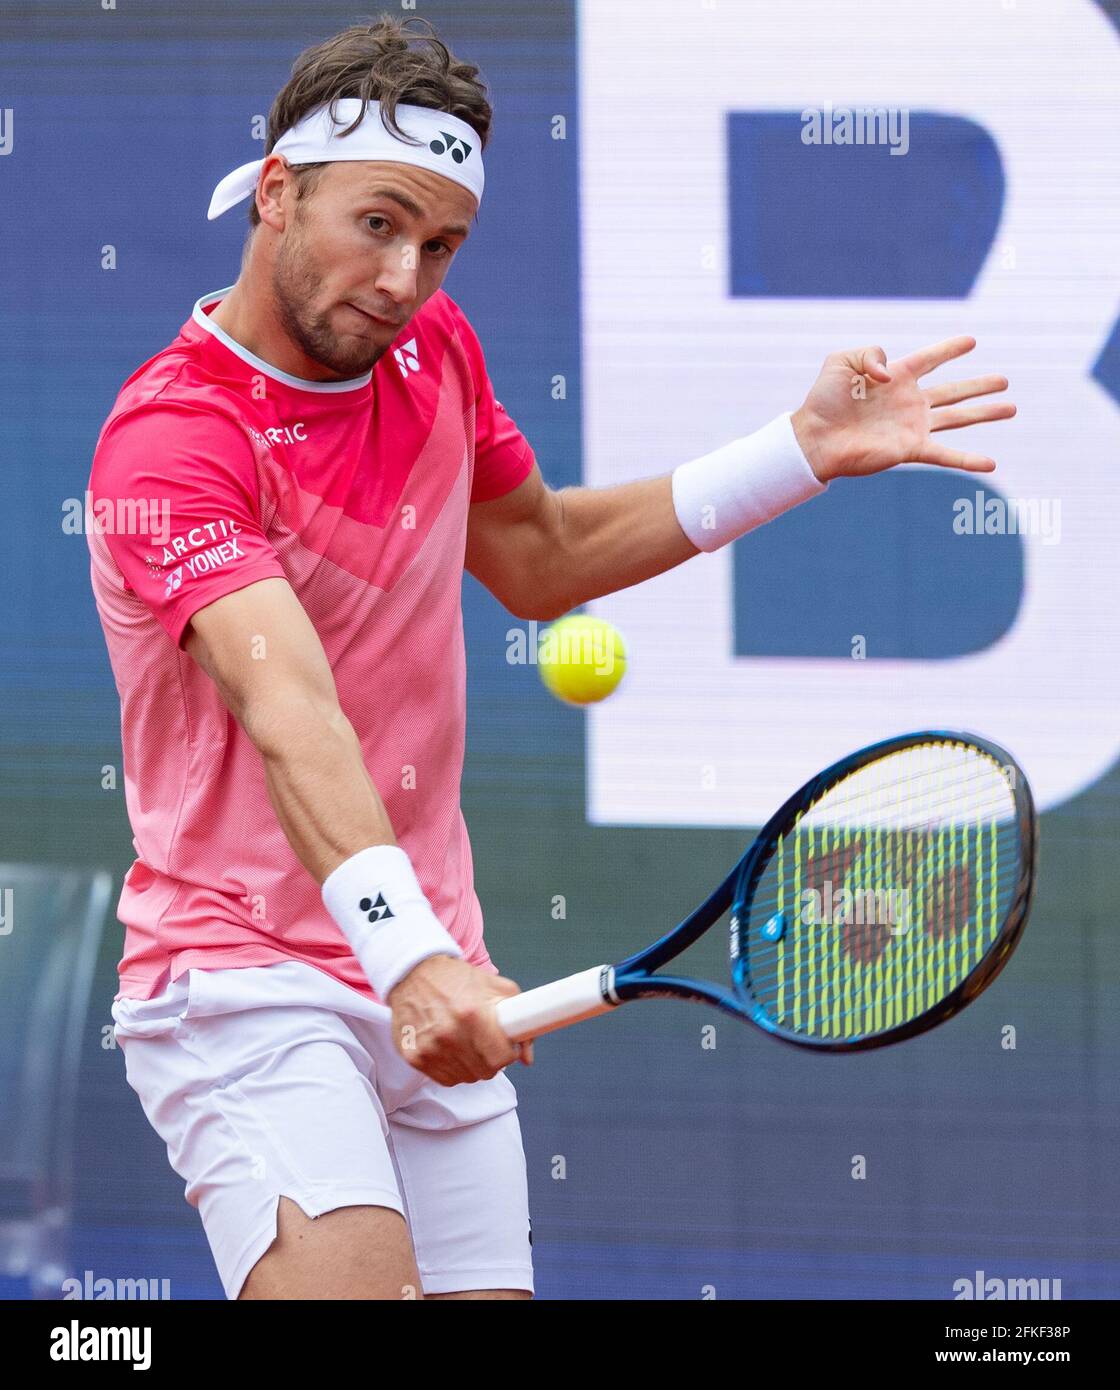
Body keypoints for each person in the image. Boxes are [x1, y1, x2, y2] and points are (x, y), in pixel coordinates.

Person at [87, 14, 1015, 1301]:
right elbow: (291, 710)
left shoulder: (429, 351)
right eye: (378, 224)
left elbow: (539, 552)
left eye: (442, 245)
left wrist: (796, 450)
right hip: (245, 975)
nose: (406, 277)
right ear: (279, 192)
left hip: (438, 964)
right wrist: (405, 956)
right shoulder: (172, 443)